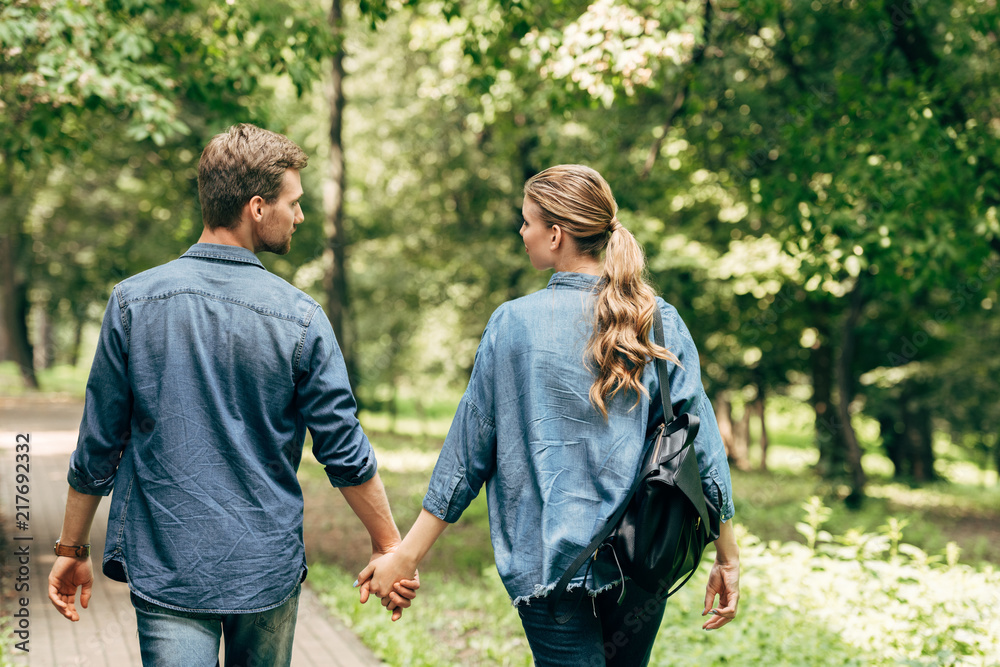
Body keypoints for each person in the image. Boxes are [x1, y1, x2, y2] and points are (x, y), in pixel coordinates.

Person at [47, 123, 414, 666]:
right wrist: (390, 546)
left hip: (169, 561)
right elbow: (343, 449)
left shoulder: (132, 303)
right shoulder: (301, 318)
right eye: (295, 203)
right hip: (264, 566)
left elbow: (100, 442)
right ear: (257, 207)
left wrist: (72, 548)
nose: (301, 215)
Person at [357, 164, 740, 666]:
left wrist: (406, 555)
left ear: (555, 234)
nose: (522, 233)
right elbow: (702, 443)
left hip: (550, 569)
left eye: (526, 222)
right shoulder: (657, 319)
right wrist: (727, 554)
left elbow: (470, 452)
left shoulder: (512, 325)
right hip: (643, 559)